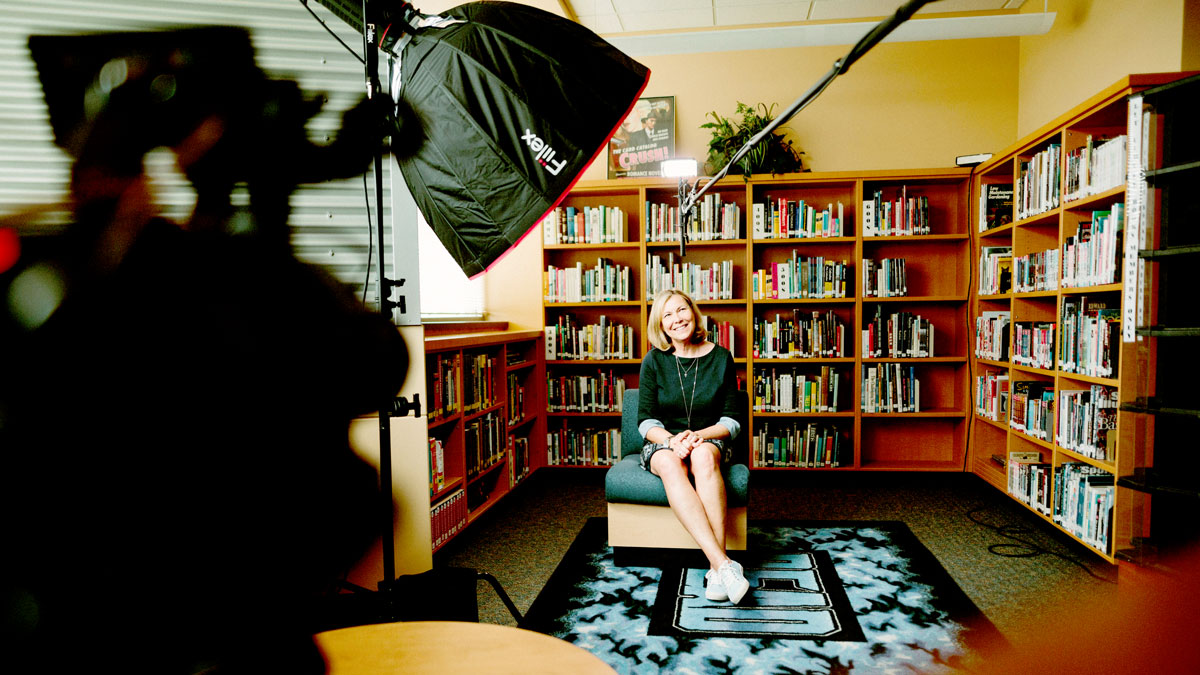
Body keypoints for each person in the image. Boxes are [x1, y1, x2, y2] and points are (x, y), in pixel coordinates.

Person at [637, 289, 749, 604]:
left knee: (701, 456)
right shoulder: (654, 361)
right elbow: (645, 422)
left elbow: (732, 420)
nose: (677, 319)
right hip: (663, 442)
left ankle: (717, 569)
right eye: (667, 315)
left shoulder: (721, 357)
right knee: (672, 463)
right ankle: (723, 565)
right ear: (660, 324)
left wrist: (697, 436)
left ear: (693, 312)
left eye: (681, 310)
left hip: (708, 439)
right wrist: (672, 441)